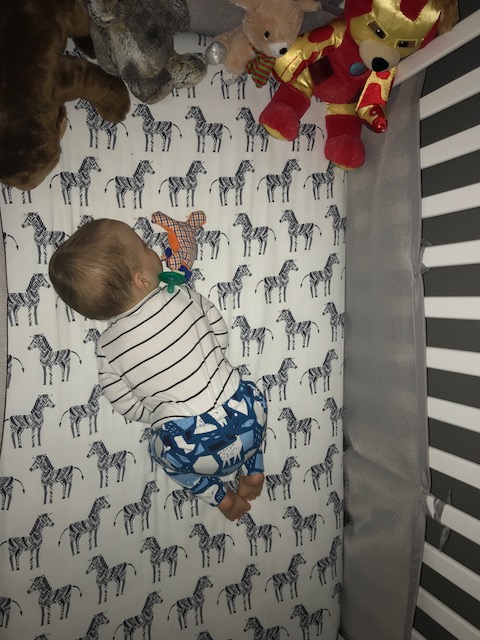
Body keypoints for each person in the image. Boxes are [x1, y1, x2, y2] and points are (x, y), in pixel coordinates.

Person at [49, 217, 268, 521]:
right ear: (141, 279)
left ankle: (220, 497)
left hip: (192, 445)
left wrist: (157, 413)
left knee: (161, 454)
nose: (153, 248)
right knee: (250, 399)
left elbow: (124, 402)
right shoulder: (179, 294)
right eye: (144, 246)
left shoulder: (108, 347)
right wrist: (214, 358)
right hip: (245, 411)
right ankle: (253, 467)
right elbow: (217, 328)